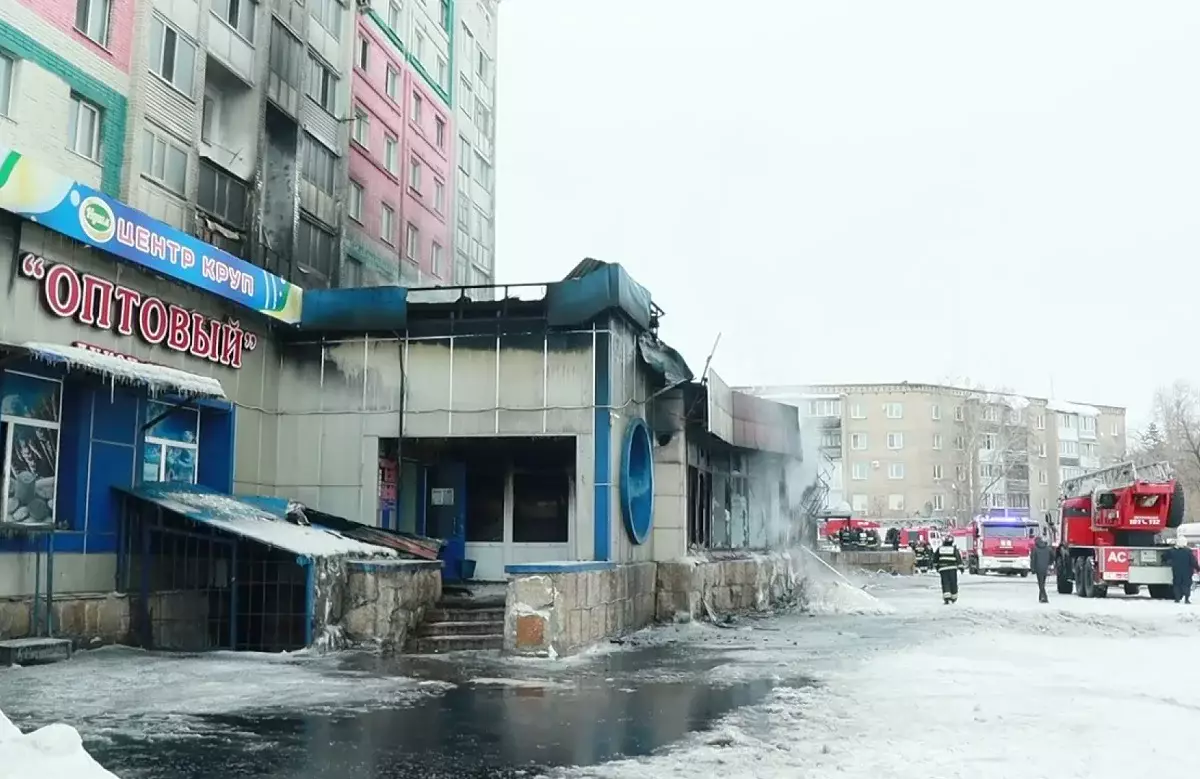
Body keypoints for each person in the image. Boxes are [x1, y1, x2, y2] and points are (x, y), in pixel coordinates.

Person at [1166, 535, 1200, 604]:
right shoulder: (1188, 551)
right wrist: (1198, 568)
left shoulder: (1172, 551)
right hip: (1187, 571)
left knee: (1177, 584)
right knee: (1186, 585)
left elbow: (1165, 557)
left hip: (1176, 571)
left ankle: (1177, 598)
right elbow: (1193, 561)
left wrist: (1169, 562)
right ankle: (1186, 599)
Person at [934, 536, 965, 604]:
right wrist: (961, 568)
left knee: (945, 583)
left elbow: (935, 559)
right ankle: (954, 597)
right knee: (953, 582)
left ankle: (947, 598)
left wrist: (937, 567)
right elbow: (958, 559)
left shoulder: (940, 549)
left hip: (943, 569)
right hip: (952, 569)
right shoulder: (954, 549)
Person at [1029, 534, 1053, 603]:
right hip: (1045, 568)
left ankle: (1045, 597)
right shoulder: (1048, 548)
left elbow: (1033, 560)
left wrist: (1032, 569)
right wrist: (1049, 563)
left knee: (1041, 584)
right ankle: (1040, 598)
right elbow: (1053, 556)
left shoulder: (1035, 549)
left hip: (1038, 568)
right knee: (1043, 583)